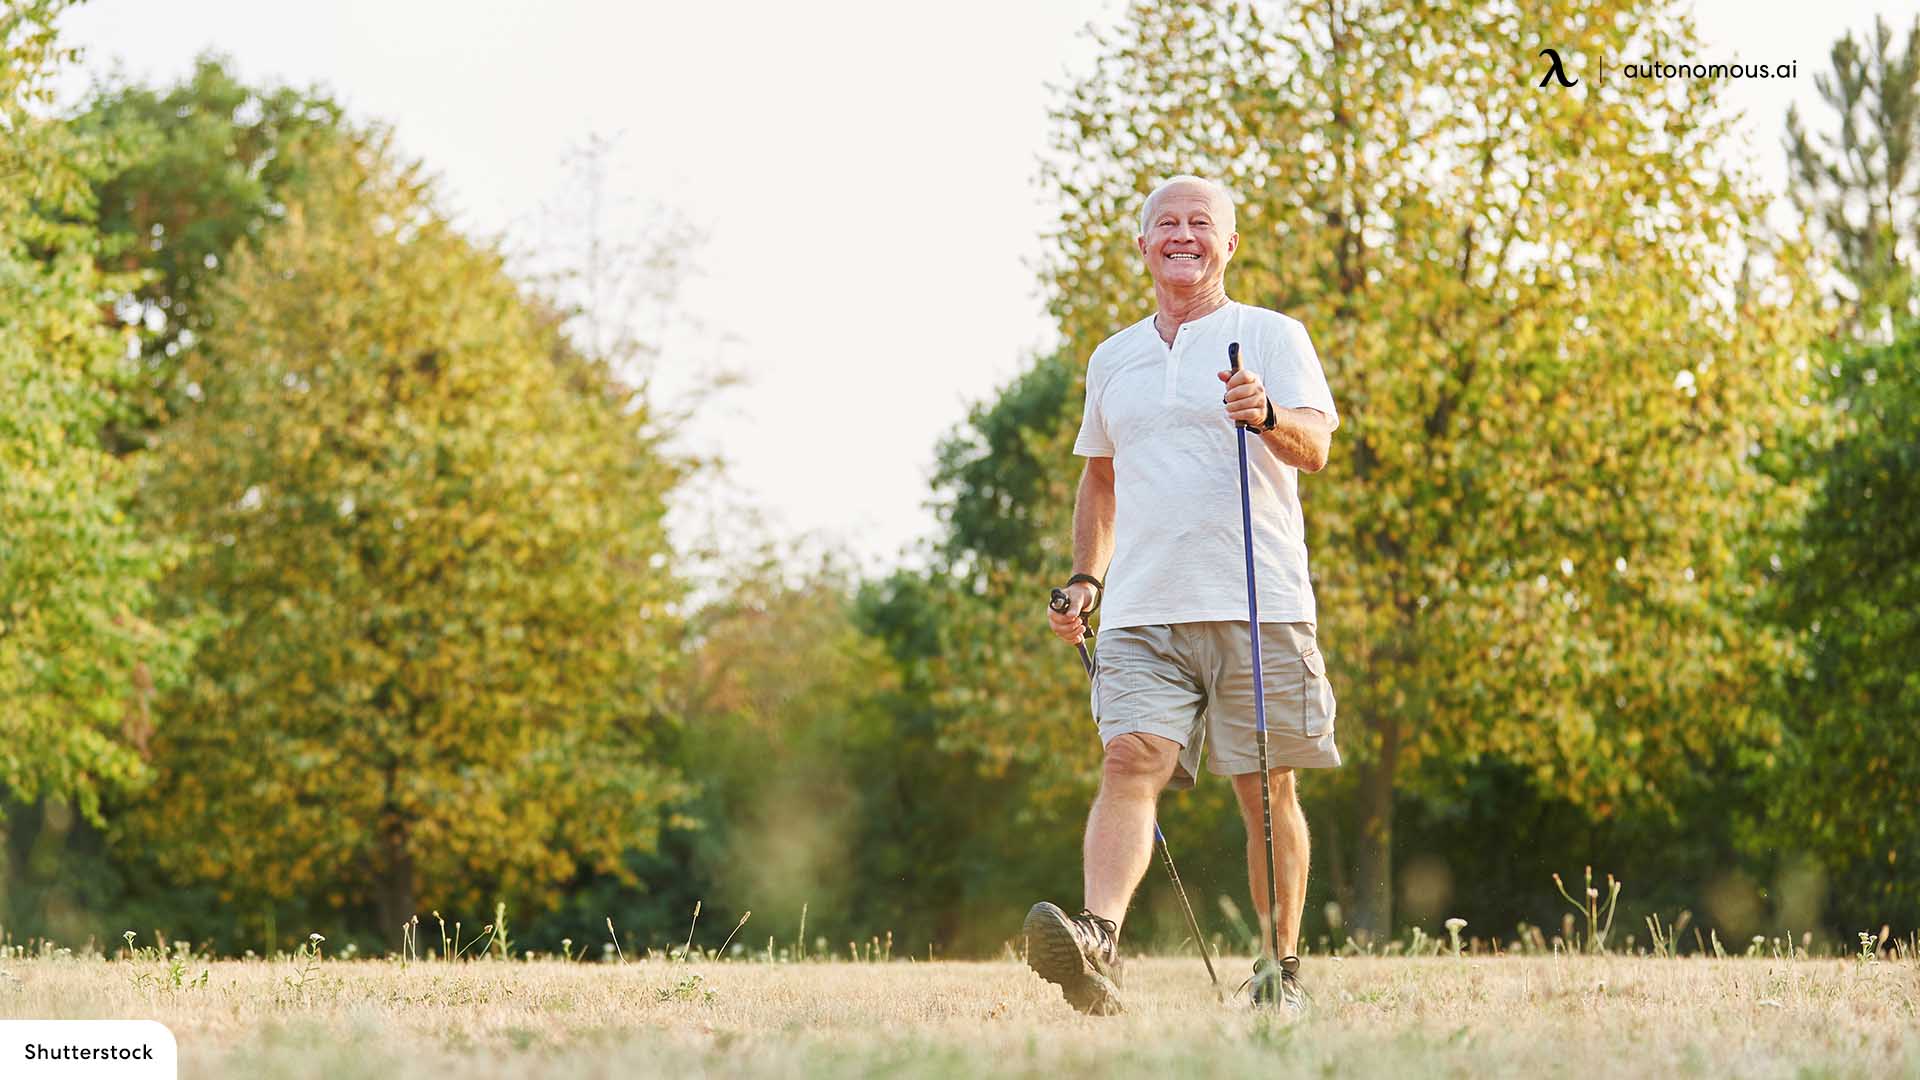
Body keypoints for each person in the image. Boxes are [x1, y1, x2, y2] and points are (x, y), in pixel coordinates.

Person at [1025, 175, 1340, 1017]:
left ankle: (1280, 973)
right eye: (1166, 222)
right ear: (1142, 245)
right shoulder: (1113, 357)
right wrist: (1086, 578)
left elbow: (1314, 447)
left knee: (1264, 786)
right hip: (1141, 606)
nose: (1183, 234)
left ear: (1229, 245)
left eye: (1202, 223)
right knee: (1130, 757)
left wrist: (1267, 415)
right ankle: (1098, 941)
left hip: (1258, 598)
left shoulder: (1270, 336)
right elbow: (1101, 476)